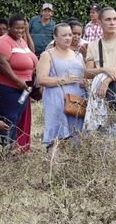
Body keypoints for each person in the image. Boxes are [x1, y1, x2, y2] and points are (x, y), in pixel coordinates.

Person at [84, 7, 116, 144]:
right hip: (99, 95)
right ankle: (103, 163)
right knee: (100, 131)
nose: (112, 22)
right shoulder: (93, 45)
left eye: (115, 19)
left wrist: (106, 81)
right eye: (108, 19)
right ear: (100, 22)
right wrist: (105, 69)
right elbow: (88, 72)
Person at [36, 24, 86, 154]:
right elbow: (41, 79)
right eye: (64, 35)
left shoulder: (78, 55)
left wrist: (86, 83)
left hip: (77, 101)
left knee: (75, 134)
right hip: (56, 99)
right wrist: (64, 80)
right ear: (55, 37)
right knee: (56, 135)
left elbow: (84, 75)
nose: (68, 38)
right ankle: (54, 169)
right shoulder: (47, 55)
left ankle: (70, 169)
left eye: (70, 35)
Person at [0, 14, 38, 146]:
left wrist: (27, 33)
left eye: (22, 28)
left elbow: (32, 52)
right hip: (9, 88)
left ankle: (10, 146)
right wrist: (17, 80)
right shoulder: (3, 41)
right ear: (9, 27)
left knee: (16, 118)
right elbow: (2, 63)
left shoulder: (21, 40)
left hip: (24, 88)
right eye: (17, 28)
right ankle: (4, 148)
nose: (20, 31)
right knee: (9, 118)